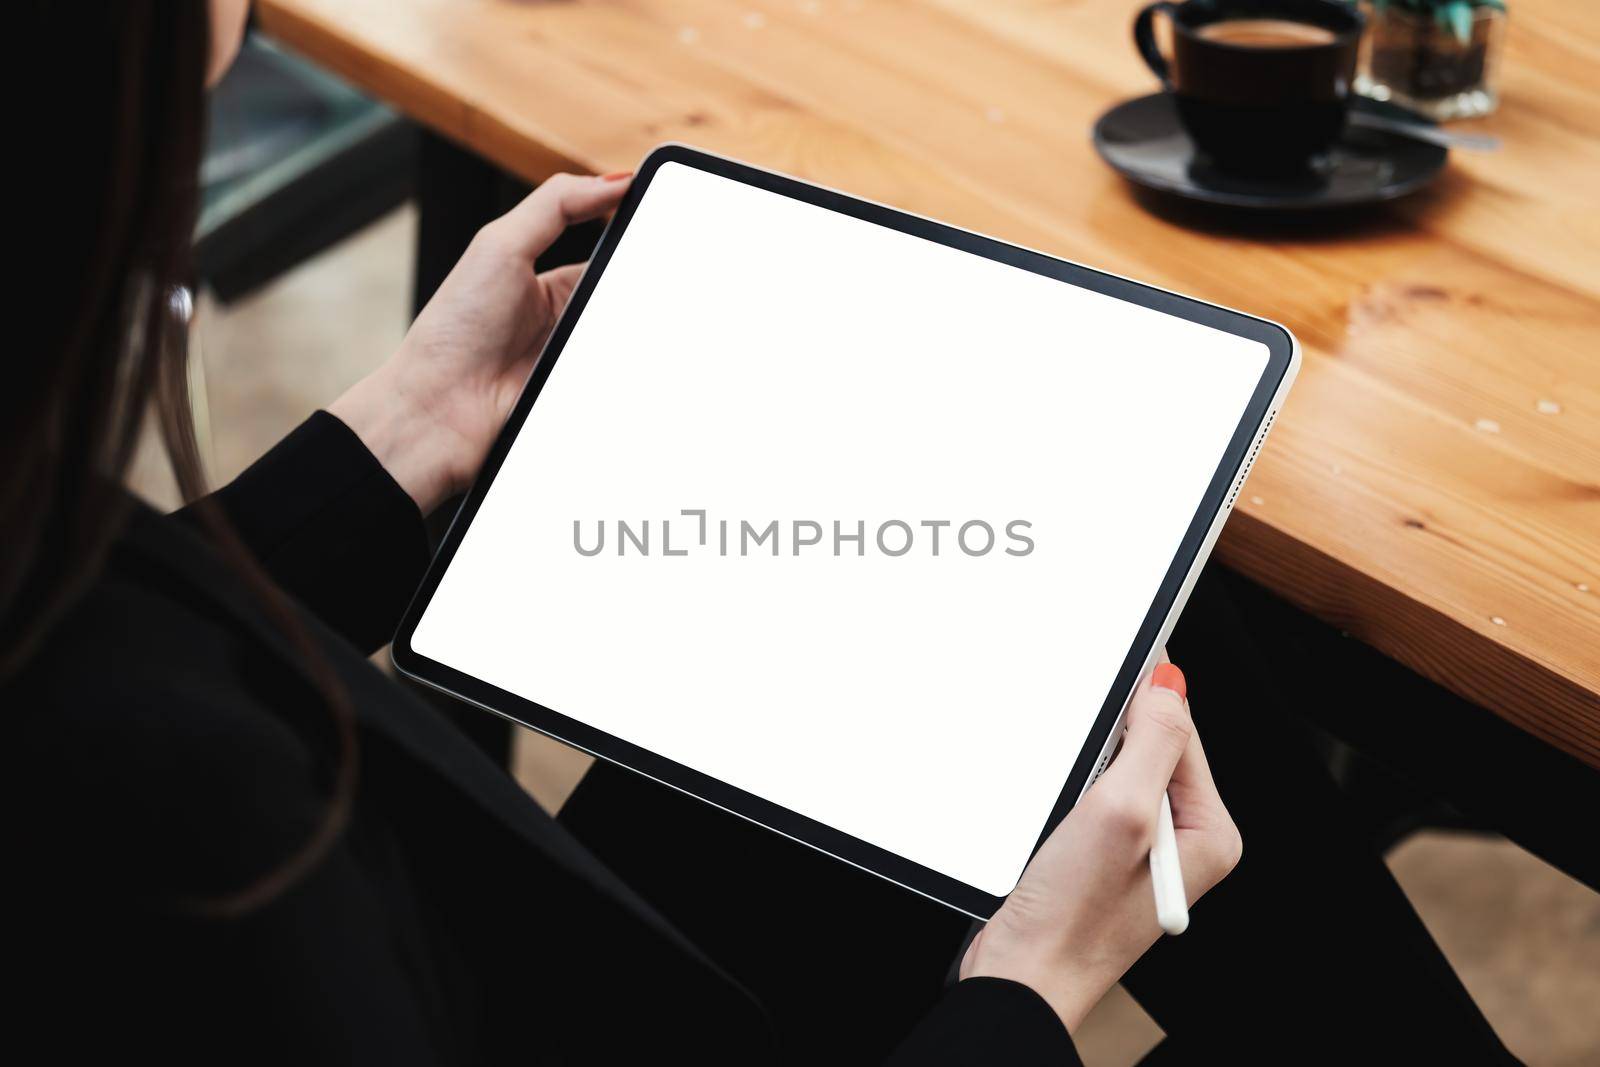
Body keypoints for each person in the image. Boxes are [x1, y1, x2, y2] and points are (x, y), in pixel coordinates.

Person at [7, 3, 1513, 1063]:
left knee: (1075, 576)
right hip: (467, 977)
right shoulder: (189, 817)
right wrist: (1028, 996)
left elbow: (104, 610)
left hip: (446, 927)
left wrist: (408, 423)